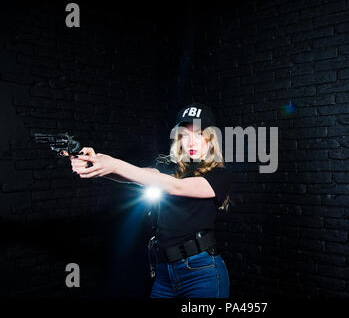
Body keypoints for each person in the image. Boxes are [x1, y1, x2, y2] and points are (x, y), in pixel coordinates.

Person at [70, 103, 233, 298]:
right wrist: (98, 164)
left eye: (198, 135)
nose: (191, 143)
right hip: (164, 273)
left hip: (201, 272)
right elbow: (137, 176)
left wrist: (113, 165)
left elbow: (175, 186)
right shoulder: (167, 168)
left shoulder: (220, 175)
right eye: (184, 136)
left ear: (210, 138)